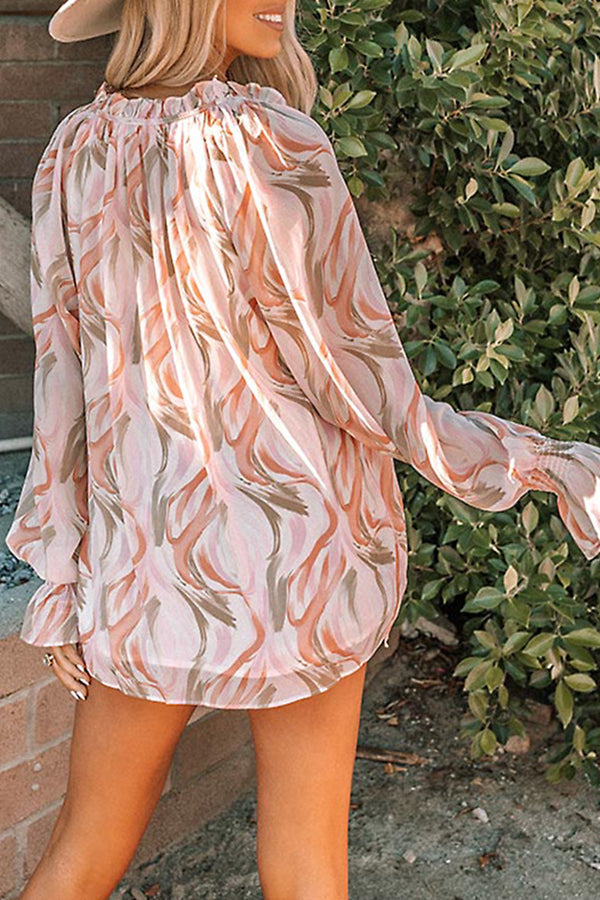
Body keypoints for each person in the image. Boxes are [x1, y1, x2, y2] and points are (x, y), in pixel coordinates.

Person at [5, 0, 600, 897]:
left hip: (147, 561)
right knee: (307, 866)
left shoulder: (74, 149)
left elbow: (65, 385)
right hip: (301, 556)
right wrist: (530, 459)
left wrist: (67, 575)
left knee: (80, 856)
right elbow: (358, 380)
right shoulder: (269, 138)